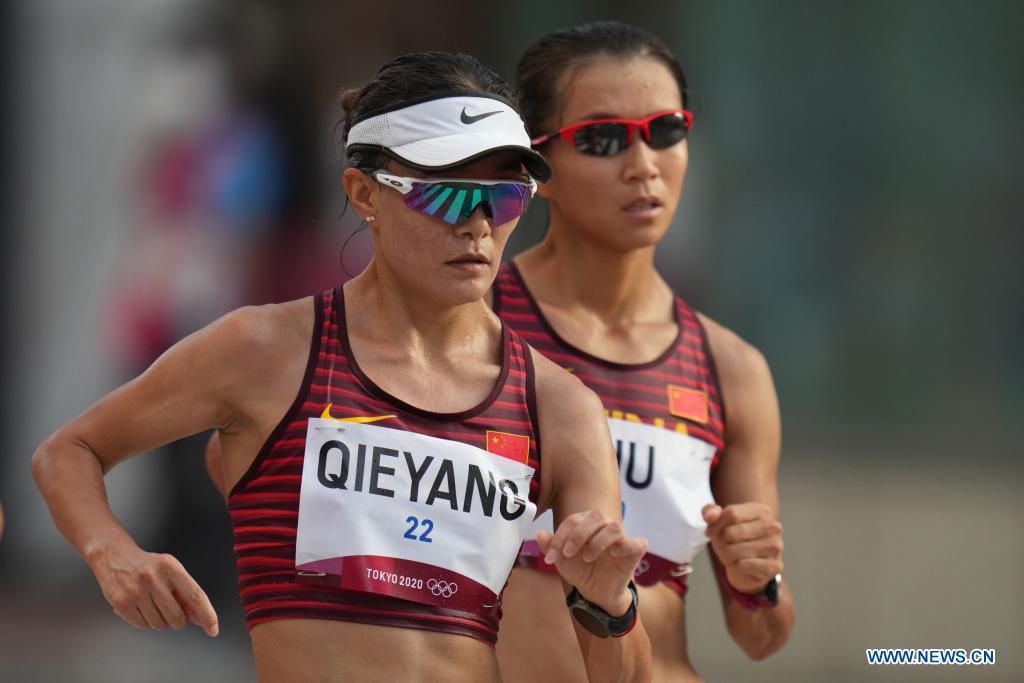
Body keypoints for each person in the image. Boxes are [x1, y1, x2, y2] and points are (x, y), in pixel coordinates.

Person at [31, 52, 653, 683]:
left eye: (506, 194)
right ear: (364, 193)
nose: (479, 224)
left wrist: (611, 605)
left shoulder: (560, 407)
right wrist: (112, 553)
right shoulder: (267, 351)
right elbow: (68, 452)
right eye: (448, 192)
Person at [492, 22, 795, 683]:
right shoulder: (473, 324)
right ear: (537, 166)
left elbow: (762, 636)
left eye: (665, 130)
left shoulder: (731, 368)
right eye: (603, 139)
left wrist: (759, 581)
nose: (643, 163)